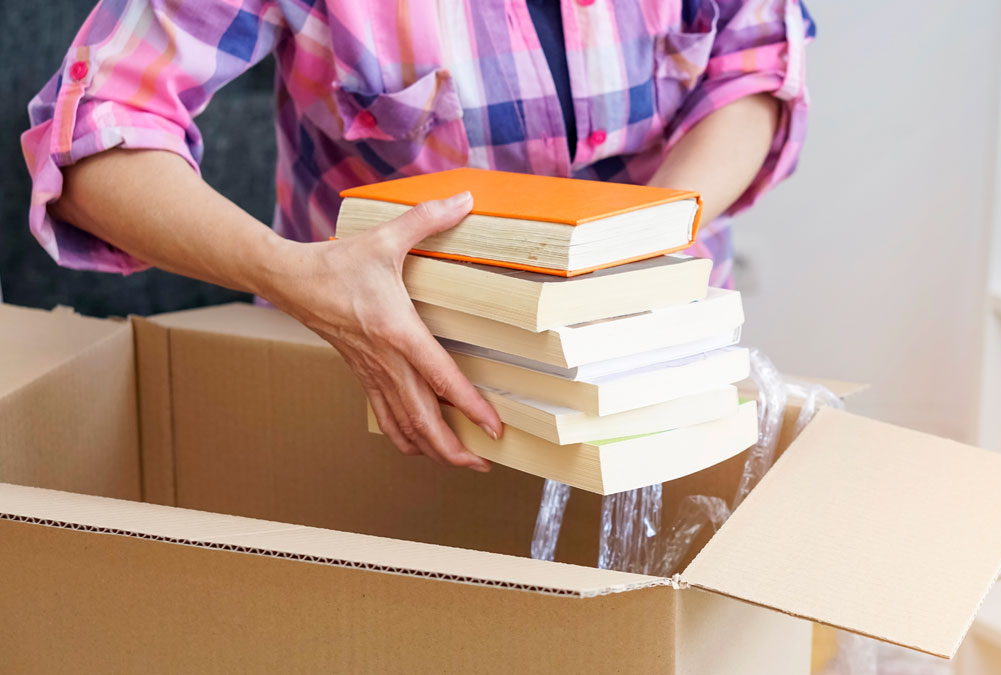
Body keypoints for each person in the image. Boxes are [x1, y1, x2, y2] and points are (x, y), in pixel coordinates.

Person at [22, 0, 814, 473]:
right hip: (377, 396)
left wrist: (638, 241)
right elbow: (96, 135)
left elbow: (752, 66)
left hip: (663, 381)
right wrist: (297, 274)